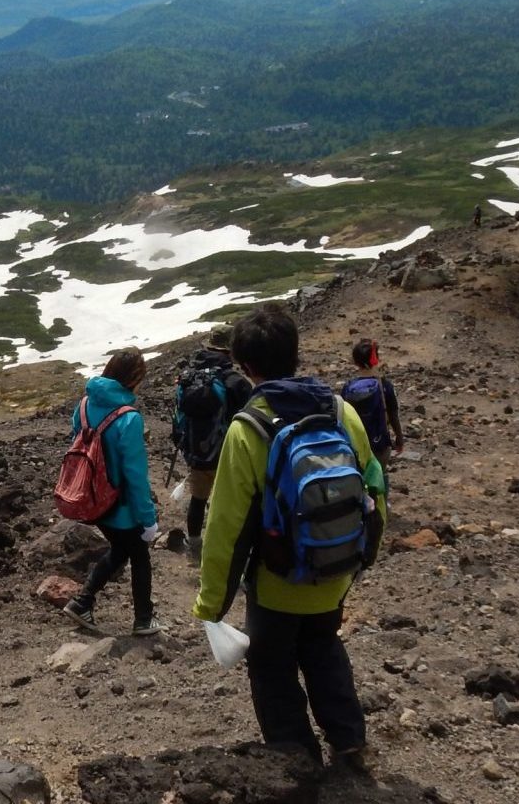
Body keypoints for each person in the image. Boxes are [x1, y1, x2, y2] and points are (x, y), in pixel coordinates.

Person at [192, 303, 387, 770]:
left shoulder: (248, 429)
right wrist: (364, 556)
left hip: (278, 581)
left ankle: (294, 759)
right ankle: (349, 740)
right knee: (324, 647)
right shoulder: (341, 412)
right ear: (296, 354)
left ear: (245, 366)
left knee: (272, 665)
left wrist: (211, 605)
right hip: (335, 568)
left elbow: (227, 527)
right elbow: (375, 486)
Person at [64, 348, 166, 636]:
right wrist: (148, 519)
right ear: (134, 379)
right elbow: (135, 475)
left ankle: (82, 601)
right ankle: (144, 619)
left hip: (93, 499)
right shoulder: (129, 418)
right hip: (120, 505)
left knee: (121, 551)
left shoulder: (84, 405)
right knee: (139, 556)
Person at [171, 325, 253, 560]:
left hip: (196, 452)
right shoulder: (235, 381)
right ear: (230, 351)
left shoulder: (188, 378)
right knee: (228, 503)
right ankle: (228, 550)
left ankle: (194, 546)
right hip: (227, 453)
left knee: (198, 499)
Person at [339, 338, 404, 461]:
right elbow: (393, 416)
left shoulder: (348, 387)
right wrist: (399, 439)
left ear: (356, 362)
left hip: (356, 447)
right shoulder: (385, 386)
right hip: (380, 446)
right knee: (380, 476)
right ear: (376, 360)